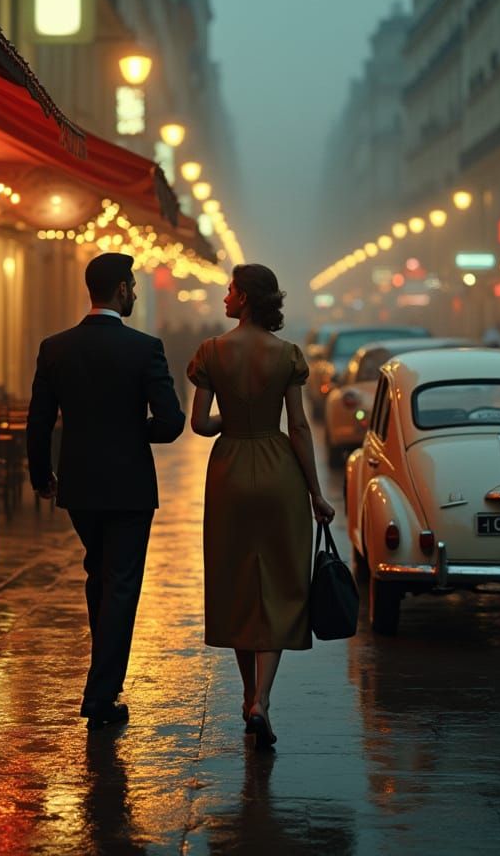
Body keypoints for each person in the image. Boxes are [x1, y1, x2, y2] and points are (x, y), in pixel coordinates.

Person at [26, 252, 185, 731]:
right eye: (133, 286)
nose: (135, 293)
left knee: (100, 574)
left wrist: (41, 475)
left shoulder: (55, 347)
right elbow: (172, 422)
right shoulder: (145, 349)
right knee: (119, 584)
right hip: (130, 485)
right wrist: (134, 435)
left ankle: (104, 682)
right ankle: (101, 694)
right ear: (119, 290)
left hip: (79, 484)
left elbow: (38, 421)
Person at [187, 263, 334, 751]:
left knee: (235, 581)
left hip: (229, 468)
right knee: (278, 580)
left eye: (230, 290)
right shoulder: (287, 355)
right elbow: (299, 427)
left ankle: (247, 692)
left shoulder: (211, 352)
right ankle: (262, 701)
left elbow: (200, 424)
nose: (225, 297)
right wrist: (315, 492)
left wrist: (231, 419)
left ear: (245, 297)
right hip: (278, 471)